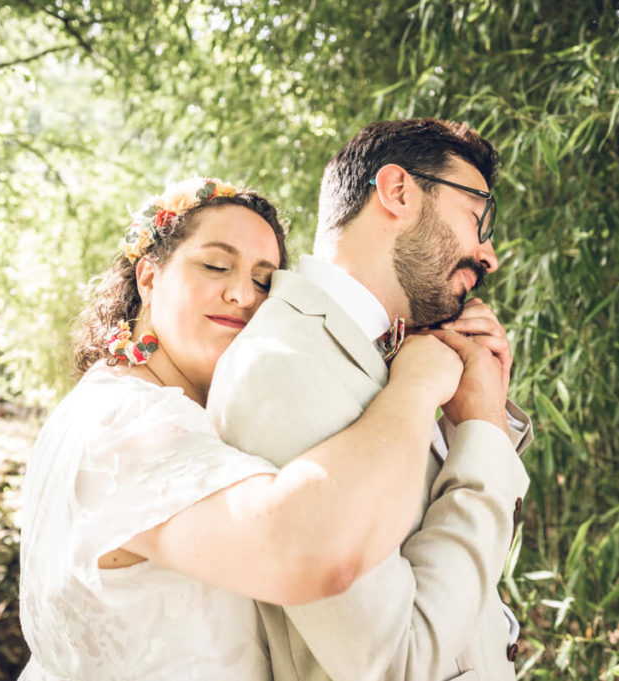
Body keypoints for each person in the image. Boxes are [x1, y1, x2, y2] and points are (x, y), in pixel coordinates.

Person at [17, 177, 475, 680]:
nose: (241, 294)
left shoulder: (138, 405)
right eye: (215, 265)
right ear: (149, 278)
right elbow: (308, 550)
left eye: (264, 280)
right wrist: (414, 389)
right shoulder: (124, 425)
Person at [208, 118, 534, 681]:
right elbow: (398, 661)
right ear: (399, 192)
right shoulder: (282, 367)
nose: (489, 254)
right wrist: (482, 433)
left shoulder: (401, 350)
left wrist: (477, 422)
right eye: (478, 217)